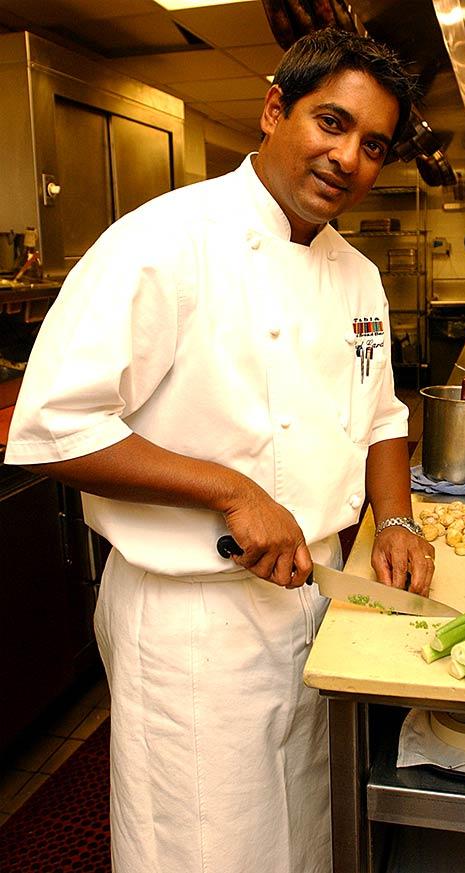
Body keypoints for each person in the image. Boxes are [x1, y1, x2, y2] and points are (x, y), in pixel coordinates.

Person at [6, 27, 435, 873]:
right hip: (192, 622)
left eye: (373, 144)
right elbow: (52, 425)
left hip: (317, 599)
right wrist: (232, 490)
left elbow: (382, 415)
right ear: (275, 110)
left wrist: (396, 519)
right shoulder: (164, 240)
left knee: (307, 835)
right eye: (331, 123)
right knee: (204, 850)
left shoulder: (358, 273)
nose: (348, 157)